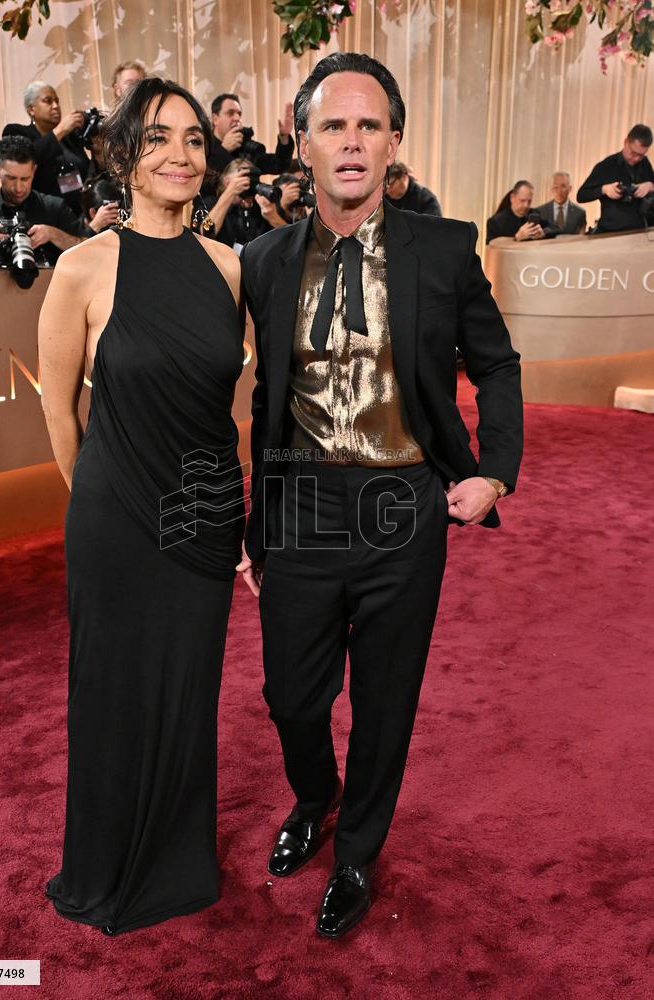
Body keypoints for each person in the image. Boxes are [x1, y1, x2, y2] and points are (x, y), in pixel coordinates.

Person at [237, 52, 523, 939]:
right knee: (291, 697)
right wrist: (246, 524)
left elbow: (497, 364)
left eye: (368, 125)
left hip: (406, 505)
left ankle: (356, 850)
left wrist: (494, 469)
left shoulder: (443, 247)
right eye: (332, 125)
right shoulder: (260, 260)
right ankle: (315, 798)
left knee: (386, 700)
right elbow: (250, 398)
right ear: (303, 141)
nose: (351, 142)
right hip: (301, 509)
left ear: (394, 141)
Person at [38, 76, 245, 936]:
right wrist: (101, 496)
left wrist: (233, 520)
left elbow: (230, 408)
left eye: (194, 139)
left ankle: (174, 861)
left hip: (200, 521)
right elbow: (57, 407)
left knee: (189, 692)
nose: (179, 155)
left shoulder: (229, 267)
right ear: (124, 155)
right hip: (114, 521)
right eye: (157, 138)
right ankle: (105, 863)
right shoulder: (83, 267)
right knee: (112, 693)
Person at [0, 136, 88, 268]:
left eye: (25, 179)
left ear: (34, 171)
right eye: (11, 178)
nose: (18, 188)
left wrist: (53, 234)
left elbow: (88, 249)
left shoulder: (55, 208)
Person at [3, 82, 91, 215]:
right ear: (31, 109)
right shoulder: (17, 132)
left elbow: (87, 170)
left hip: (80, 214)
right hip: (43, 216)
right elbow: (26, 158)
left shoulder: (69, 138)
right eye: (48, 101)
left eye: (57, 101)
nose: (56, 106)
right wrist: (61, 130)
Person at [577, 124, 654, 233]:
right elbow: (581, 195)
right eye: (633, 153)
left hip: (639, 232)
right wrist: (604, 189)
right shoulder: (606, 165)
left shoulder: (645, 163)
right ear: (626, 142)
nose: (636, 158)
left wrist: (650, 186)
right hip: (610, 233)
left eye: (641, 155)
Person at [206, 92, 295, 180]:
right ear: (215, 119)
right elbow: (205, 180)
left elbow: (280, 165)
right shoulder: (204, 146)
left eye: (239, 114)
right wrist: (224, 150)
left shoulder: (244, 145)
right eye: (230, 113)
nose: (237, 118)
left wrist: (284, 136)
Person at [202, 158, 274, 249]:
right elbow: (205, 232)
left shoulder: (260, 207)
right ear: (227, 182)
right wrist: (231, 193)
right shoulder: (209, 203)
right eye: (243, 177)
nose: (247, 183)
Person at [485, 180, 558, 243]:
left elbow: (556, 229)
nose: (526, 205)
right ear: (512, 197)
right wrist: (516, 238)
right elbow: (491, 246)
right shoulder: (495, 222)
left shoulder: (536, 214)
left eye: (529, 201)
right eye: (522, 200)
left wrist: (543, 233)